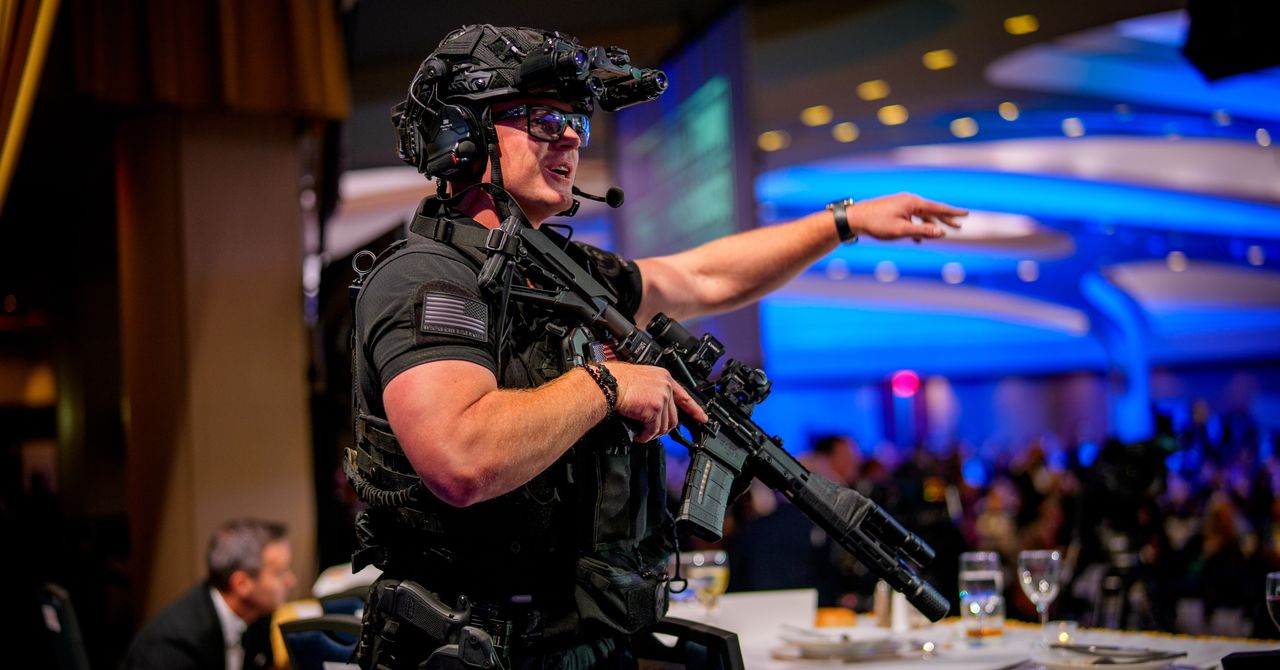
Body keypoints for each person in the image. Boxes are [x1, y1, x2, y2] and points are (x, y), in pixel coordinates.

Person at [348, 24, 965, 669]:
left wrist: (843, 221)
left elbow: (703, 278)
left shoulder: (564, 272)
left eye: (576, 122)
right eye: (544, 119)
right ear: (463, 135)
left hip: (584, 641)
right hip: (472, 650)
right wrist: (607, 385)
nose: (570, 138)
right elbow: (460, 458)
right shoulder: (426, 277)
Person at [119, 519, 296, 670]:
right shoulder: (174, 645)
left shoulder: (257, 614)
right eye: (279, 573)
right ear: (241, 584)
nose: (291, 581)